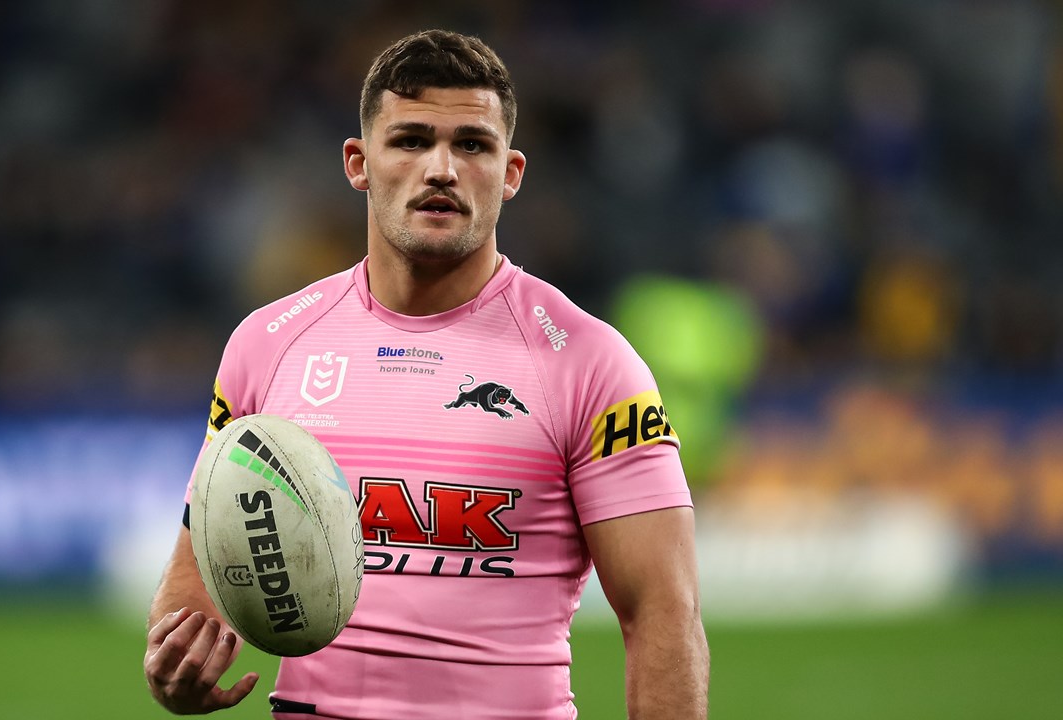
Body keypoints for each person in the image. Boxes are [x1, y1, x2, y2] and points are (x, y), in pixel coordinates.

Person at [143, 29, 709, 719]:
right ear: (358, 163)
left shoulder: (589, 361)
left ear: (511, 172)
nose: (441, 169)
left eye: (472, 145)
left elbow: (663, 611)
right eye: (410, 141)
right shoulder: (267, 345)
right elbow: (196, 573)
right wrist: (176, 664)